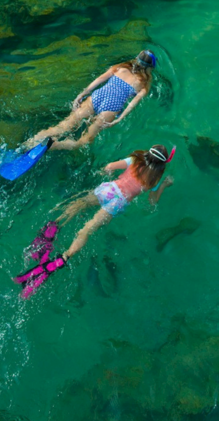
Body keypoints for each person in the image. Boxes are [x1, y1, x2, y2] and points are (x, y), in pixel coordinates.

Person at [15, 145, 175, 297]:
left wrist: (102, 173)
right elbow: (152, 203)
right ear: (160, 167)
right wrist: (164, 185)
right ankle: (63, 257)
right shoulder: (153, 181)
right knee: (87, 229)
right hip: (117, 204)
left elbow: (109, 167)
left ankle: (53, 228)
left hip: (108, 190)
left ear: (147, 154)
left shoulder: (134, 161)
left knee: (77, 205)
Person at [26, 50, 157, 151]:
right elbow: (132, 104)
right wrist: (119, 119)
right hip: (111, 107)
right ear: (150, 67)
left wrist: (82, 93)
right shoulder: (144, 84)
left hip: (97, 96)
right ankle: (56, 145)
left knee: (63, 126)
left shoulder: (120, 68)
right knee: (84, 142)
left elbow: (99, 79)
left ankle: (30, 143)